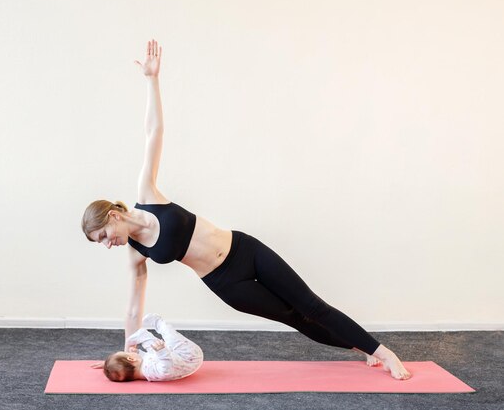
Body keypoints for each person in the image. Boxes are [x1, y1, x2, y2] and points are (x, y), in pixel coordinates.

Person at [82, 40, 411, 380]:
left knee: (311, 305)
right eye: (101, 243)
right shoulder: (136, 254)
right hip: (226, 283)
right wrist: (127, 351)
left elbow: (154, 132)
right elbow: (134, 308)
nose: (108, 244)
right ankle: (357, 346)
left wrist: (152, 80)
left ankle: (383, 353)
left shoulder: (147, 195)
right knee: (293, 317)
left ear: (114, 216)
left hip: (244, 250)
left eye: (104, 236)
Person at [98, 313, 204, 382]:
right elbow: (166, 370)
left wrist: (139, 353)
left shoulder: (143, 367)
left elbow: (150, 359)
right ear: (131, 359)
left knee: (152, 348)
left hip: (176, 358)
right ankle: (159, 323)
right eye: (128, 353)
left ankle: (142, 335)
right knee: (171, 338)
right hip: (189, 357)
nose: (130, 352)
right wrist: (161, 352)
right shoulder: (152, 373)